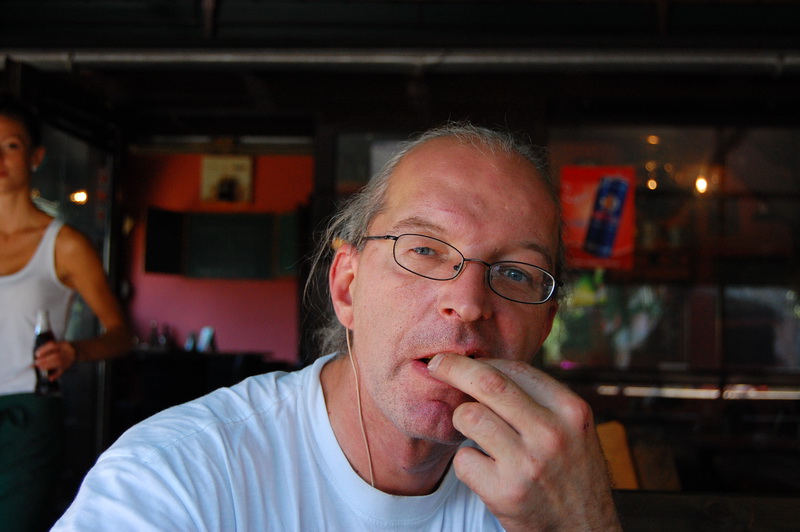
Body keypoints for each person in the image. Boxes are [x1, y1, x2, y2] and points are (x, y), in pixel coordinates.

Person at [53, 122, 621, 531]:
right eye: (424, 248)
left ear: (544, 326)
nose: (469, 304)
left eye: (516, 273)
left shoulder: (549, 493)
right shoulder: (178, 476)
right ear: (348, 287)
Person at [0, 96, 134, 532]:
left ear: (35, 156)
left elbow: (121, 335)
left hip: (26, 416)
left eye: (11, 146)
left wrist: (74, 351)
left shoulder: (65, 244)